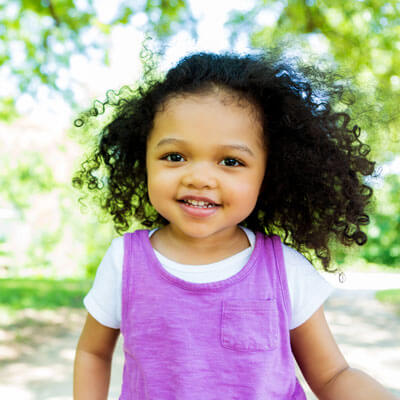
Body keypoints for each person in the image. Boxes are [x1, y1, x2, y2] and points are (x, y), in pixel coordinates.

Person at [72, 50, 397, 399]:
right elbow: (92, 352)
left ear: (267, 175)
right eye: (175, 157)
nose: (199, 177)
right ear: (144, 159)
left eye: (231, 161)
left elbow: (333, 375)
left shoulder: (283, 270)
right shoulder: (126, 262)